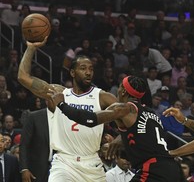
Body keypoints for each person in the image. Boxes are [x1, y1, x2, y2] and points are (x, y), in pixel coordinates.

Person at [17, 37, 117, 182]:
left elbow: (127, 114)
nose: (88, 72)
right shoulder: (59, 93)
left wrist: (120, 139)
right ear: (72, 73)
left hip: (91, 161)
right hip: (64, 162)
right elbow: (23, 77)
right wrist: (31, 48)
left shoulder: (102, 97)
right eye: (83, 69)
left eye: (91, 69)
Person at [49, 75, 181, 182]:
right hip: (173, 168)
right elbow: (144, 135)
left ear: (123, 90)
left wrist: (61, 104)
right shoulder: (151, 113)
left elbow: (90, 120)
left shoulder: (124, 108)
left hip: (152, 170)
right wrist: (121, 138)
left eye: (119, 87)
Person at [19, 100, 54, 182]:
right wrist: (24, 168)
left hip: (60, 167)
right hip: (37, 169)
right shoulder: (34, 117)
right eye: (52, 99)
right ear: (46, 101)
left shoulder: (65, 117)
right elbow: (24, 144)